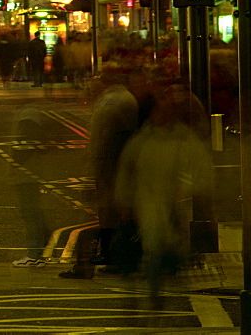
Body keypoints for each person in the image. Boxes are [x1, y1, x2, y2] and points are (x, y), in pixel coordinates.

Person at [114, 83, 212, 302]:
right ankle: (153, 289)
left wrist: (191, 190)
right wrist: (125, 203)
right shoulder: (142, 140)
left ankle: (152, 286)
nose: (163, 114)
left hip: (173, 204)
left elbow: (201, 167)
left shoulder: (181, 138)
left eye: (167, 110)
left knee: (165, 246)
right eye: (160, 110)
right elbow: (127, 171)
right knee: (154, 245)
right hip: (147, 202)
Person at [61, 63, 138, 278]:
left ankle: (108, 256)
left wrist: (96, 164)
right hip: (112, 163)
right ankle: (110, 255)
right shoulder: (119, 98)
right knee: (109, 211)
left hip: (109, 164)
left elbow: (102, 137)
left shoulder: (112, 101)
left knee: (108, 211)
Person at [9, 105, 51, 267]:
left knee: (29, 212)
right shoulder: (30, 112)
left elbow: (24, 146)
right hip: (29, 173)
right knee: (33, 211)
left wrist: (14, 164)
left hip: (26, 175)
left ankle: (34, 253)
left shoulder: (27, 115)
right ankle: (42, 241)